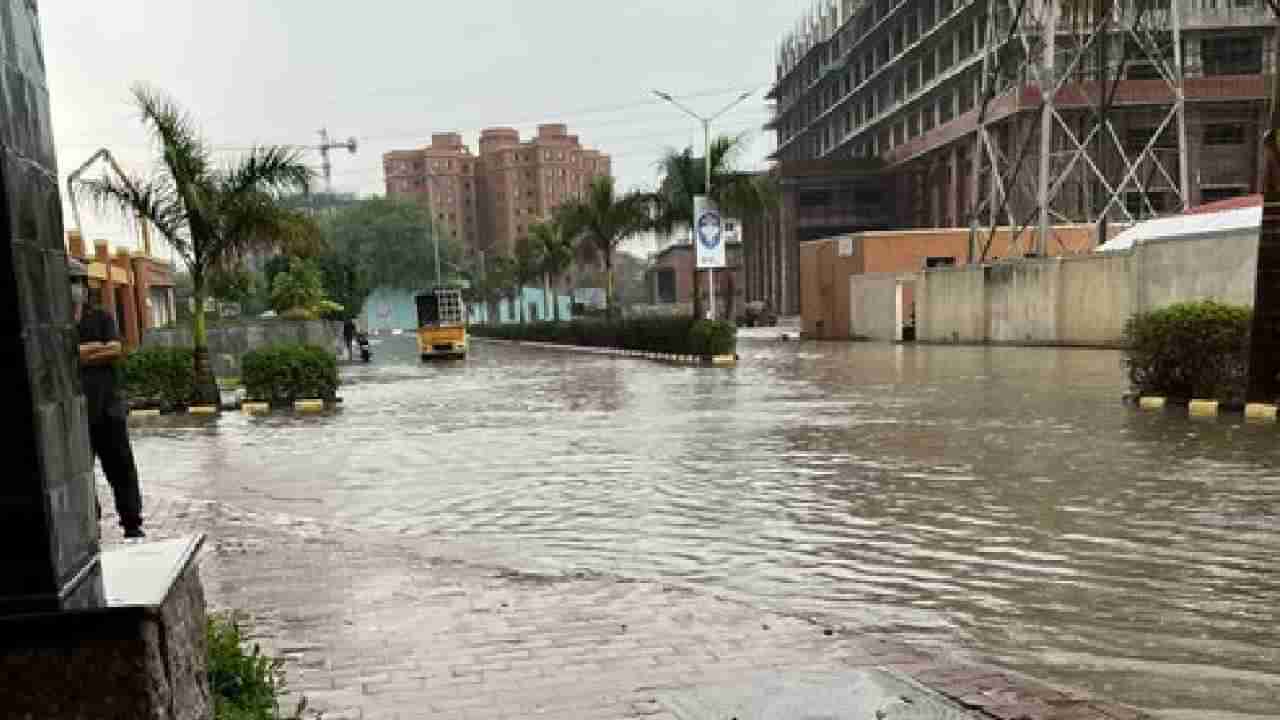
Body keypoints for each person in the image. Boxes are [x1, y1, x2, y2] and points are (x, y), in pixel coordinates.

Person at [70, 258, 144, 539]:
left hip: (109, 410)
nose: (76, 288)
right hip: (77, 416)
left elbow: (114, 349)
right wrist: (92, 350)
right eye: (70, 282)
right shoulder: (56, 323)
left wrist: (80, 353)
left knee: (122, 469)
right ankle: (92, 525)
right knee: (81, 475)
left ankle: (132, 523)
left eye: (78, 281)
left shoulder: (102, 317)